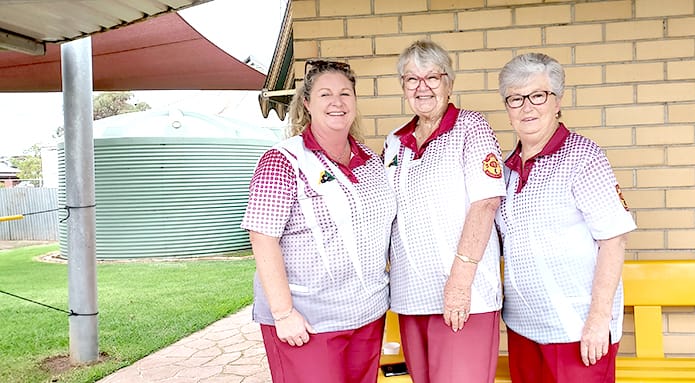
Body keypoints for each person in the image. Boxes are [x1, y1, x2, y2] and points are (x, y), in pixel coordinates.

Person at [241, 59, 396, 383]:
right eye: (325, 94)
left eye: (345, 93)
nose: (337, 102)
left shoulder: (371, 161)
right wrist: (284, 313)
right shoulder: (283, 160)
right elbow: (262, 238)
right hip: (306, 323)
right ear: (307, 104)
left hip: (367, 316)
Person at [495, 52, 637, 383]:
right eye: (516, 98)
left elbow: (614, 241)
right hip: (523, 328)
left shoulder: (583, 157)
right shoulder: (507, 169)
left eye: (538, 96)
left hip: (576, 329)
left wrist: (598, 320)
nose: (527, 107)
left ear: (557, 101)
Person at [383, 40, 505, 383]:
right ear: (403, 87)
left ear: (448, 83)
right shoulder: (395, 141)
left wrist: (459, 284)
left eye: (432, 77)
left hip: (464, 295)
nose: (422, 87)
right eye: (412, 79)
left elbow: (486, 203)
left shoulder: (471, 127)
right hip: (411, 295)